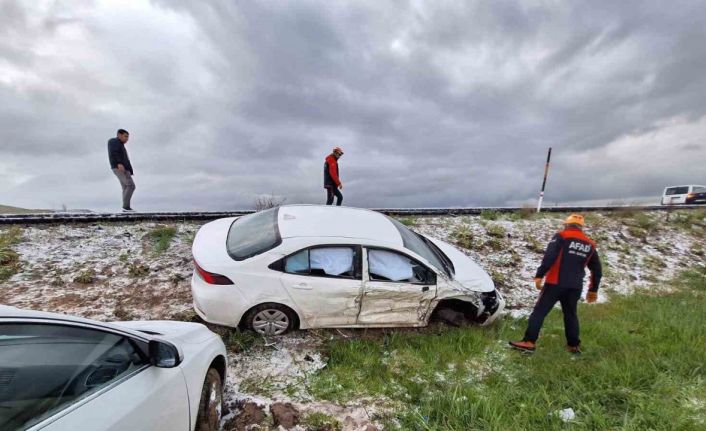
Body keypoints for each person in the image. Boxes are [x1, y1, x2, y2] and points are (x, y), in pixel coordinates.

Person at [510, 214, 602, 354]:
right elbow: (597, 270)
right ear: (581, 227)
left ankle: (529, 342)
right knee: (570, 315)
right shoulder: (590, 244)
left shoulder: (561, 236)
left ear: (566, 224)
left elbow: (549, 257)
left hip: (555, 283)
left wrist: (539, 275)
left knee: (539, 312)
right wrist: (593, 290)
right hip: (575, 287)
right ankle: (573, 346)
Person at [108, 129, 136, 212]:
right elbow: (114, 152)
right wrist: (119, 163)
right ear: (119, 135)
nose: (127, 139)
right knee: (131, 186)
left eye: (128, 137)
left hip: (123, 168)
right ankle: (126, 207)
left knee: (125, 187)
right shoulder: (114, 141)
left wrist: (130, 171)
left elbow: (125, 159)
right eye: (125, 136)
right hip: (119, 167)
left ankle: (125, 208)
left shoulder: (120, 144)